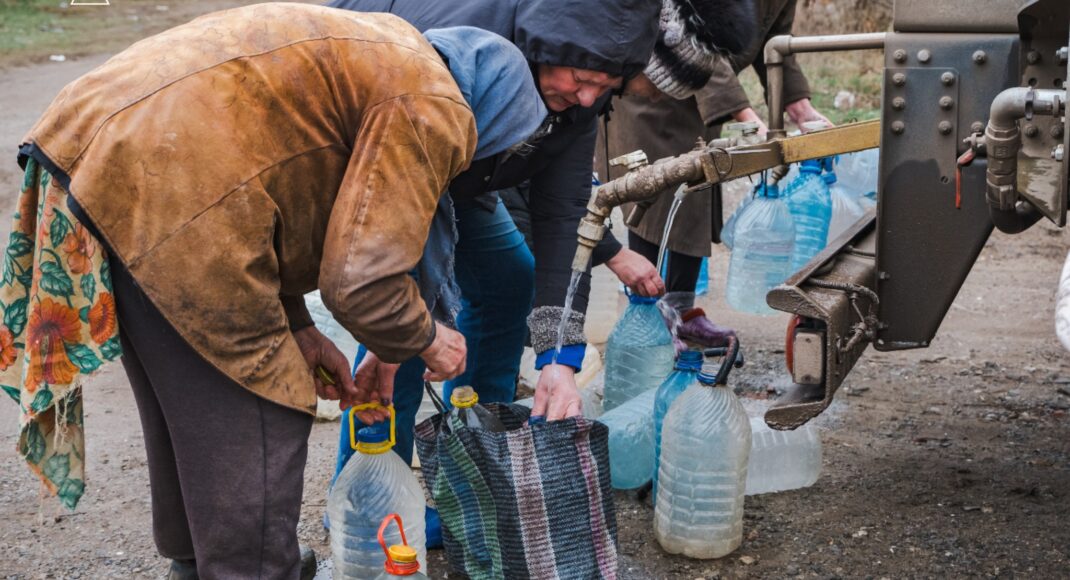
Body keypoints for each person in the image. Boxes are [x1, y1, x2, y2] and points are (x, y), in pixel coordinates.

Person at [3, 4, 548, 578]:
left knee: (190, 398)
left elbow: (267, 174)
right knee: (266, 400)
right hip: (165, 177)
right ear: (493, 112)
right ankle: (253, 567)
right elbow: (362, 284)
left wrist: (299, 327)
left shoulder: (396, 55)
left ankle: (198, 562)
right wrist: (431, 340)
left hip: (99, 147)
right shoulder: (437, 104)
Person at [328, 0, 665, 473]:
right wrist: (406, 331)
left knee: (507, 279)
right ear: (544, 47)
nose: (589, 98)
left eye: (605, 87)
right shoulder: (455, 53)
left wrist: (558, 360)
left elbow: (563, 211)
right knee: (402, 325)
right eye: (582, 79)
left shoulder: (575, 93)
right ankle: (374, 498)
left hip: (465, 175)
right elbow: (399, 200)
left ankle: (477, 468)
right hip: (383, 164)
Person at [597, 0, 831, 340]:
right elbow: (696, 38)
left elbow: (776, 42)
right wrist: (746, 117)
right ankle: (647, 316)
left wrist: (800, 107)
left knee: (695, 198)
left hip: (701, 99)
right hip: (652, 86)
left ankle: (681, 312)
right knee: (650, 198)